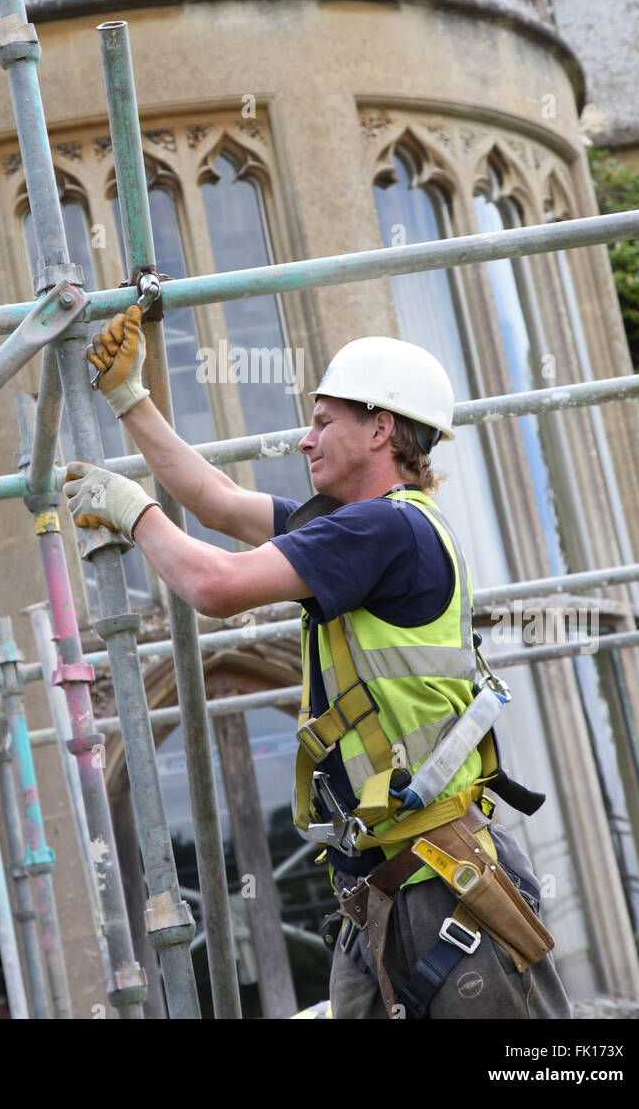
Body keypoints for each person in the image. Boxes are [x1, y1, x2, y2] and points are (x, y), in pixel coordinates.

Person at [63, 304, 572, 1020]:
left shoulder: (380, 528)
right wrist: (129, 399)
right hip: (384, 888)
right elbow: (218, 503)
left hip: (440, 884)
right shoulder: (368, 528)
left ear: (380, 427)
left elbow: (215, 586)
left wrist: (132, 512)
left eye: (323, 421)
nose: (306, 440)